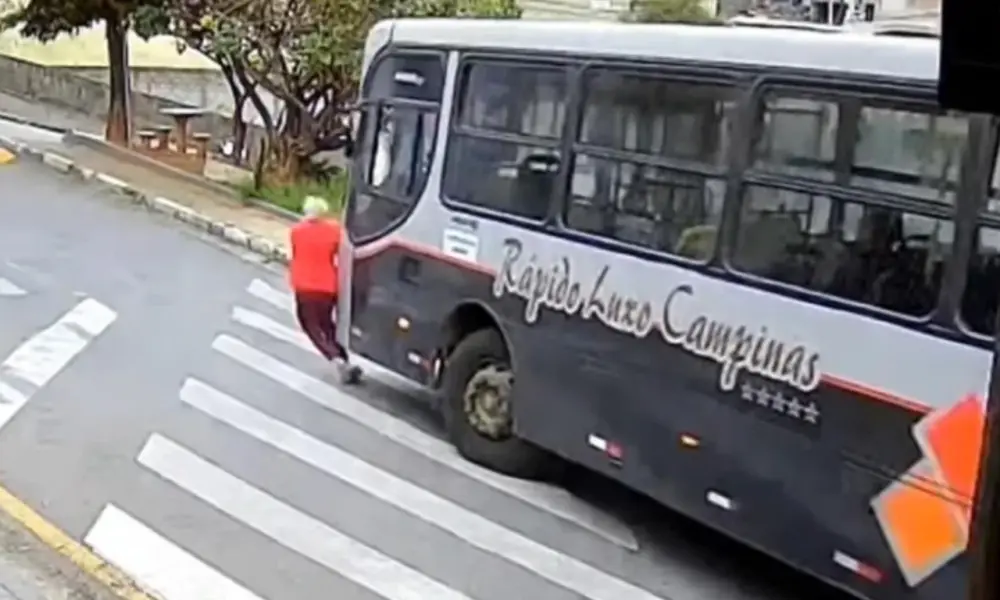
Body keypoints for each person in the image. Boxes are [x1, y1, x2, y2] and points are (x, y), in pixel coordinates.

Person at [289, 195, 361, 384]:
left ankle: (337, 359)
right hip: (328, 286)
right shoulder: (335, 230)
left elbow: (296, 253)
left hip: (305, 287)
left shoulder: (297, 231)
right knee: (328, 325)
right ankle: (344, 359)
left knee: (311, 326)